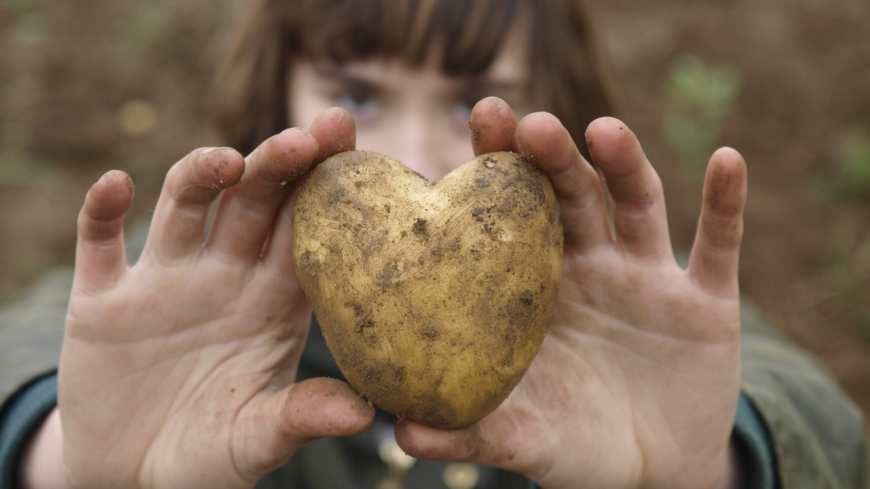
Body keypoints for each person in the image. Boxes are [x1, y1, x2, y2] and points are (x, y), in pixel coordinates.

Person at [1, 0, 868, 488]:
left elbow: (819, 419)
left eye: (469, 104)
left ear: (549, 112)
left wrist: (719, 466)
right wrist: (64, 460)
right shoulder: (177, 298)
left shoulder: (635, 321)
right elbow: (32, 348)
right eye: (356, 95)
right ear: (275, 100)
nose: (413, 153)